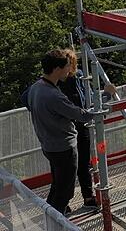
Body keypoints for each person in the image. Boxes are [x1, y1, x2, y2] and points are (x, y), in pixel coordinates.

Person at [23, 49, 114, 216]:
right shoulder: (53, 96)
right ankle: (57, 229)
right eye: (66, 67)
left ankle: (51, 216)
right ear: (57, 68)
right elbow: (84, 115)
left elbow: (27, 101)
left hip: (49, 145)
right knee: (65, 191)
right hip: (63, 147)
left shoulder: (36, 88)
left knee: (58, 184)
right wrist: (107, 95)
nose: (69, 70)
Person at [58, 49, 97, 208]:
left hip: (81, 124)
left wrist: (93, 107)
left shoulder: (79, 75)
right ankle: (63, 202)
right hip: (67, 127)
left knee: (83, 163)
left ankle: (88, 197)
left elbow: (87, 94)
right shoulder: (57, 81)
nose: (71, 67)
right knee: (67, 166)